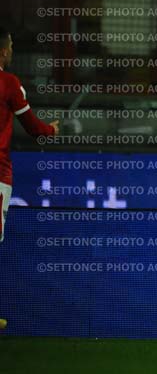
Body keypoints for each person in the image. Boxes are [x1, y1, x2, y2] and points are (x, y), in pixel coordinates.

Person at [0, 27, 59, 329]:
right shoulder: (9, 83)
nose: (12, 51)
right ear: (3, 51)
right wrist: (51, 130)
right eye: (10, 46)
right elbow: (34, 128)